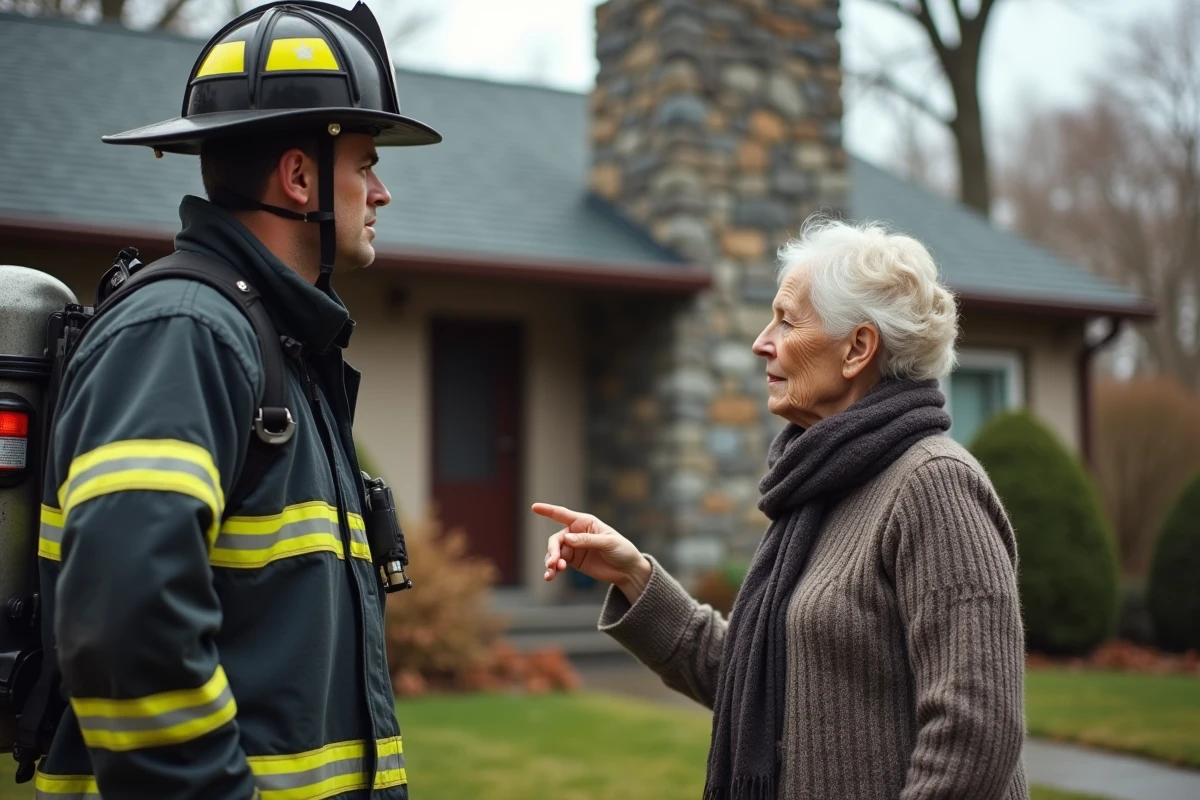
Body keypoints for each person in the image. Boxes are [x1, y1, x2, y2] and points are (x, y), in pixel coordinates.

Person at [32, 2, 439, 798]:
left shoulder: (273, 341)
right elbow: (127, 630)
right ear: (298, 176)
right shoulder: (185, 333)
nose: (381, 193)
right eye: (364, 164)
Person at [535, 217, 1029, 800]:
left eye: (786, 321)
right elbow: (757, 682)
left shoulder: (934, 485)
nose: (760, 341)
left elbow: (976, 733)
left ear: (858, 349)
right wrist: (634, 576)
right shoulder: (819, 487)